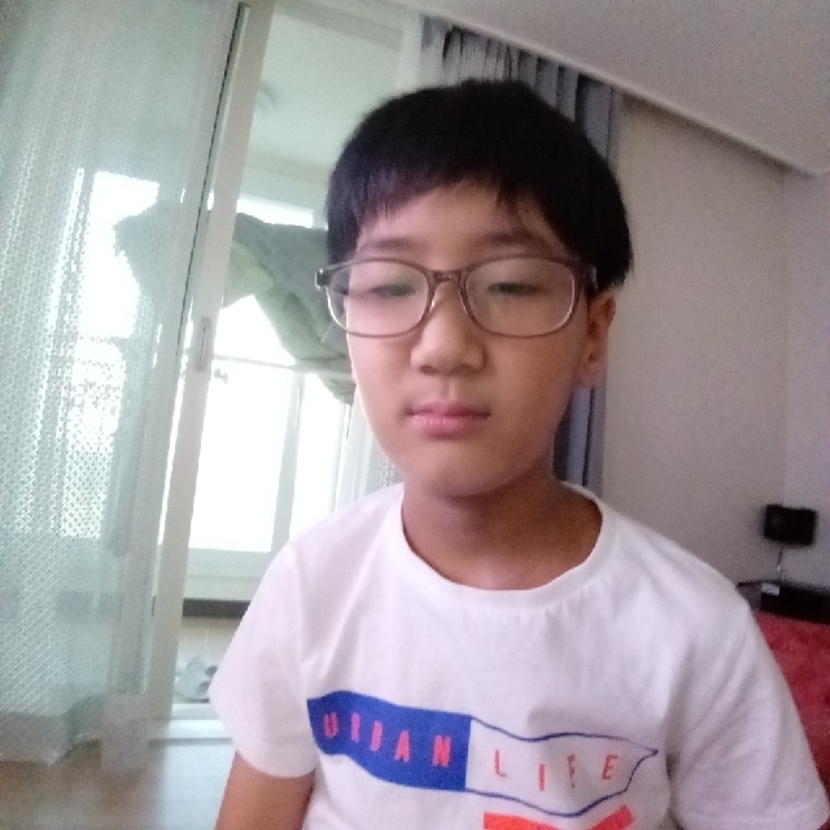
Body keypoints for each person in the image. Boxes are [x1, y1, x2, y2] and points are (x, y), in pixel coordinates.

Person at [210, 80, 829, 830]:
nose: (443, 346)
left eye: (508, 284)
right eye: (391, 285)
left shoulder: (695, 630)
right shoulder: (312, 584)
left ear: (592, 335)